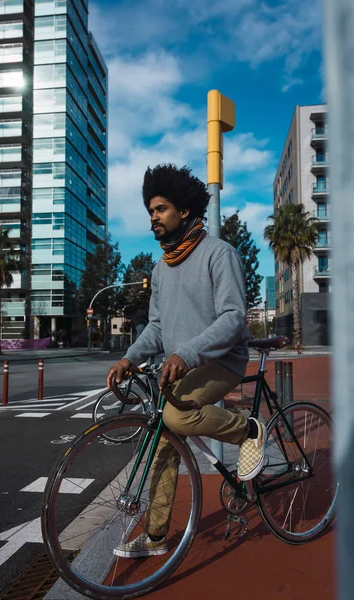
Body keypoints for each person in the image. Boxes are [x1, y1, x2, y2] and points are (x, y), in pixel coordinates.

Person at [106, 164, 265, 559]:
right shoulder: (161, 268)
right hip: (182, 368)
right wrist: (129, 358)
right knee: (162, 441)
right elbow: (157, 326)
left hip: (223, 361)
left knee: (176, 417)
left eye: (160, 209)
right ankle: (157, 538)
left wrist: (188, 353)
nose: (153, 217)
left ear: (183, 210)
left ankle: (247, 431)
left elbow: (232, 317)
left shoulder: (219, 253)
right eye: (150, 211)